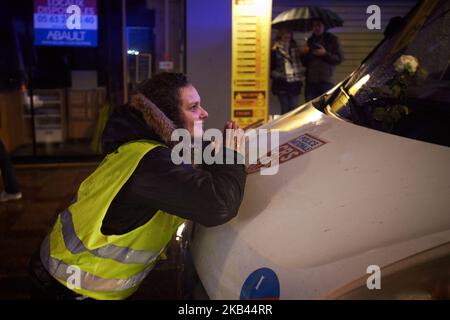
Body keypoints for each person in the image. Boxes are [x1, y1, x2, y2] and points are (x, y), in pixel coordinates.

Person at [29, 72, 247, 300]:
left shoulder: (141, 148)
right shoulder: (153, 164)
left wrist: (216, 155)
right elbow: (219, 204)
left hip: (61, 275)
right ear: (169, 116)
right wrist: (232, 157)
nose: (204, 113)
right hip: (70, 289)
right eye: (193, 107)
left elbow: (187, 164)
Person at [300, 18, 343, 101]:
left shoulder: (332, 39)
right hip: (311, 82)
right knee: (309, 108)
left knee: (325, 107)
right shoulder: (309, 40)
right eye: (314, 26)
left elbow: (338, 59)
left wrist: (325, 54)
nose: (316, 28)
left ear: (324, 26)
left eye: (319, 25)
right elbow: (304, 63)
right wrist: (304, 54)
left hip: (326, 81)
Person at [270, 29, 303, 114]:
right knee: (285, 109)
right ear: (280, 35)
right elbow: (270, 68)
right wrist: (280, 76)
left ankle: (293, 127)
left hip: (294, 83)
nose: (287, 36)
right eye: (284, 33)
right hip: (281, 83)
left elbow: (302, 63)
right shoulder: (275, 49)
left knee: (294, 109)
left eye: (289, 33)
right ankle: (284, 128)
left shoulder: (296, 48)